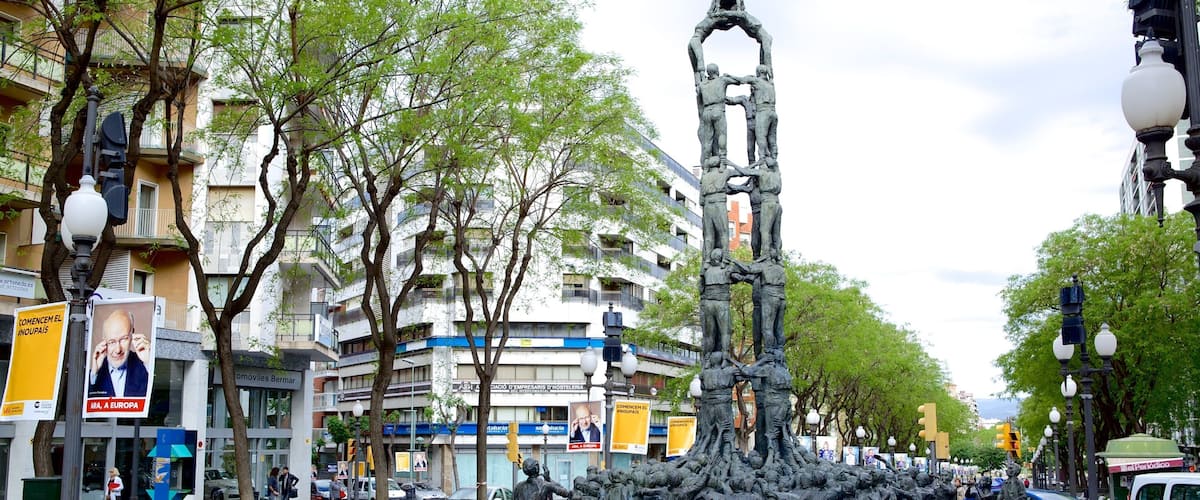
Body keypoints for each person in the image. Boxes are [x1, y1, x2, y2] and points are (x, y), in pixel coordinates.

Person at [88, 309, 151, 398]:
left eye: (123, 339)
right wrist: (94, 374)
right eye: (112, 342)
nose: (118, 350)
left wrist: (149, 363)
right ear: (104, 340)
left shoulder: (145, 366)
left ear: (132, 334)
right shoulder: (94, 373)